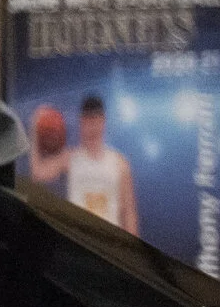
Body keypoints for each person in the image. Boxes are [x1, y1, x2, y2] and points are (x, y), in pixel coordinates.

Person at [28, 94, 138, 235]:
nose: (92, 127)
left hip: (109, 244)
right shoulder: (69, 158)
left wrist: (131, 253)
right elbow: (38, 174)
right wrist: (34, 130)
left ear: (103, 122)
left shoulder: (120, 164)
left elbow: (128, 212)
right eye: (87, 121)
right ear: (81, 123)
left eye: (96, 121)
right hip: (79, 242)